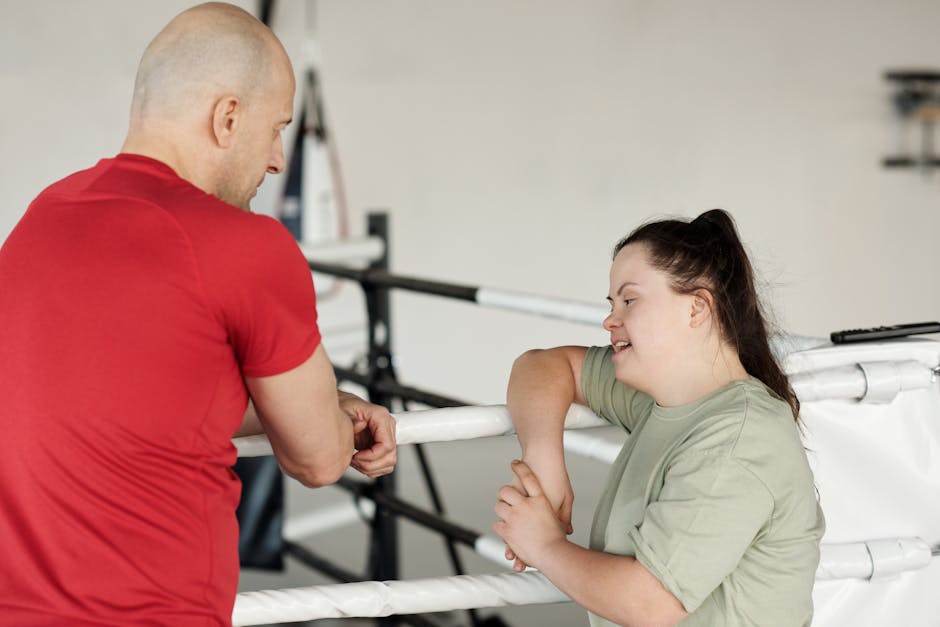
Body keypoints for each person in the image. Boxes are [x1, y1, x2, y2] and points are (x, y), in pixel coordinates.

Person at [0, 3, 397, 625]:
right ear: (228, 117)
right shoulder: (245, 244)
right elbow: (319, 459)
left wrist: (321, 401)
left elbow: (142, 399)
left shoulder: (43, 216)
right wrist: (330, 415)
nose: (278, 159)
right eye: (276, 127)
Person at [493, 209, 825, 626]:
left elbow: (651, 603)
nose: (610, 320)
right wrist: (544, 461)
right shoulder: (666, 398)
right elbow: (540, 366)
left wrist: (544, 545)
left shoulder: (740, 437)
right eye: (612, 303)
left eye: (629, 300)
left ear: (697, 308)